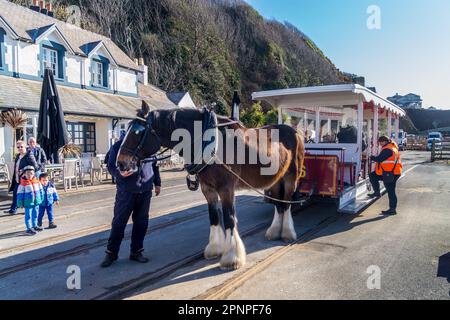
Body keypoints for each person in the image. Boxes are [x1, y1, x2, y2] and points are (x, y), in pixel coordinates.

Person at [100, 136, 161, 268]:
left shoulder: (148, 146)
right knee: (119, 223)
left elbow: (155, 166)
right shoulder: (118, 146)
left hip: (145, 190)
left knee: (141, 223)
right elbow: (110, 166)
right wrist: (119, 173)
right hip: (126, 191)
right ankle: (111, 253)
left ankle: (136, 251)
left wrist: (157, 183)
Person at [368, 135, 403, 215]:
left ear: (384, 141)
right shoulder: (391, 147)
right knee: (373, 176)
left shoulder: (388, 149)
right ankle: (377, 192)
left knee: (391, 191)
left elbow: (379, 159)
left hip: (391, 173)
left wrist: (371, 157)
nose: (380, 144)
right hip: (391, 172)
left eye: (380, 142)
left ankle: (392, 209)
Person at [5, 140, 38, 215]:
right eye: (18, 147)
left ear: (25, 146)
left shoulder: (29, 155)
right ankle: (13, 210)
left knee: (27, 195)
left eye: (21, 147)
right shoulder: (18, 156)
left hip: (26, 180)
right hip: (17, 179)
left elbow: (35, 167)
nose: (20, 148)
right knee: (15, 194)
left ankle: (29, 210)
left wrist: (24, 170)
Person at [16, 166, 44, 235]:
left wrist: (41, 198)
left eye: (31, 173)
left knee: (35, 214)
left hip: (36, 201)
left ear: (34, 173)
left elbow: (41, 191)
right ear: (24, 174)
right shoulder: (22, 184)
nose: (29, 175)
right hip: (28, 203)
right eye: (28, 173)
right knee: (28, 216)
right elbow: (20, 195)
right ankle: (29, 228)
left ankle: (34, 226)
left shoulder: (37, 182)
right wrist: (20, 203)